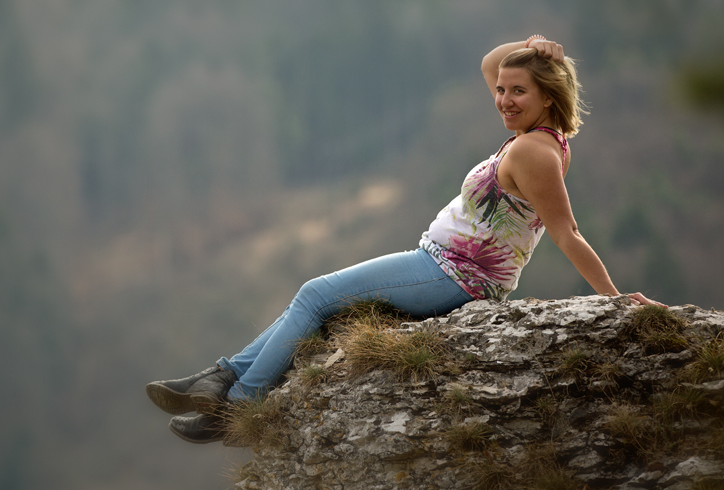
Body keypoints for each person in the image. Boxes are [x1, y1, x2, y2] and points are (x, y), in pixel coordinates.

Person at [146, 36, 667, 444]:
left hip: (456, 275)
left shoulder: (535, 153)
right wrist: (534, 46)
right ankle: (218, 381)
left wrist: (613, 300)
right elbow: (493, 61)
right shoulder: (535, 136)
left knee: (316, 294)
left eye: (518, 92)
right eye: (503, 91)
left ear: (548, 97)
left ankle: (238, 404)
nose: (503, 100)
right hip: (440, 263)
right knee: (318, 300)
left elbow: (567, 233)